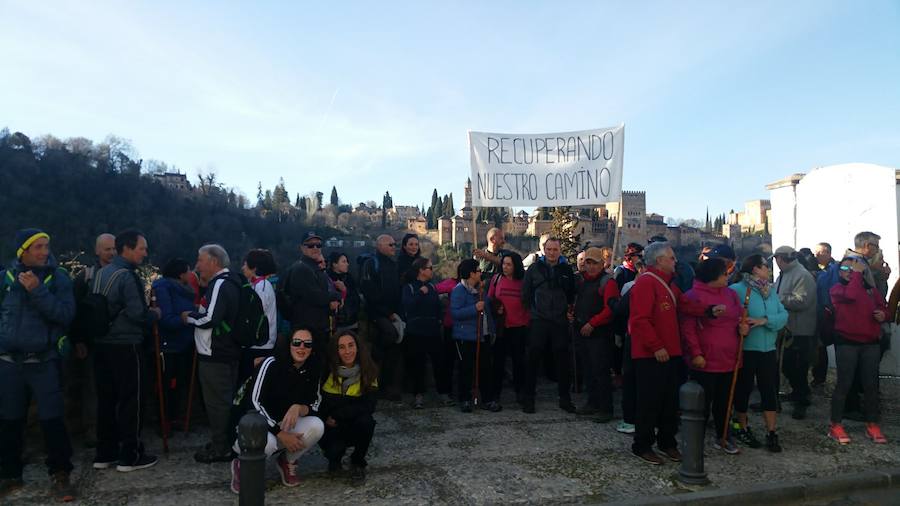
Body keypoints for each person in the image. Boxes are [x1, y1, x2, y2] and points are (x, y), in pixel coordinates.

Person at [629, 241, 723, 465]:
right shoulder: (646, 283)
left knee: (669, 401)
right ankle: (642, 445)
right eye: (671, 258)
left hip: (671, 352)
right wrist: (656, 346)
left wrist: (707, 311)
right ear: (660, 260)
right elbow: (640, 320)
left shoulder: (668, 284)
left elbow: (684, 305)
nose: (675, 261)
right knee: (649, 402)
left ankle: (667, 442)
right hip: (650, 355)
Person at [0, 229, 76, 500]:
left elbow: (66, 315)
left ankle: (60, 475)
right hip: (9, 362)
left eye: (46, 246)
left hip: (43, 361)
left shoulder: (58, 279)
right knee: (9, 421)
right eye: (38, 247)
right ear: (23, 251)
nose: (45, 252)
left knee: (52, 420)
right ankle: (10, 475)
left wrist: (38, 291)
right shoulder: (5, 279)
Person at [92, 229, 161, 473]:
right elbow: (137, 314)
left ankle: (104, 453)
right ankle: (130, 455)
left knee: (107, 400)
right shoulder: (128, 276)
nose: (145, 253)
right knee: (133, 399)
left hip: (101, 345)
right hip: (126, 345)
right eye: (141, 248)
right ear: (128, 249)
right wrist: (155, 314)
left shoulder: (100, 273)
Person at [230, 329, 325, 493]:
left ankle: (288, 460)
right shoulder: (271, 363)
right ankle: (242, 464)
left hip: (281, 423)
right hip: (250, 425)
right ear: (289, 344)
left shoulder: (313, 367)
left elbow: (315, 402)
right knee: (269, 443)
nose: (301, 348)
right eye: (296, 342)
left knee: (317, 426)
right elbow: (253, 403)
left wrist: (299, 408)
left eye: (307, 344)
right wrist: (280, 433)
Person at [680, 258, 749, 454]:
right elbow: (689, 329)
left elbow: (738, 317)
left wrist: (744, 328)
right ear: (713, 276)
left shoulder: (731, 294)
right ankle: (695, 441)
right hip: (706, 359)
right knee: (702, 404)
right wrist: (696, 354)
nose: (727, 276)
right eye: (724, 273)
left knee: (725, 401)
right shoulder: (693, 296)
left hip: (729, 357)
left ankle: (724, 436)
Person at [183, 244, 243, 463]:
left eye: (200, 260)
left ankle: (221, 447)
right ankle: (226, 440)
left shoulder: (219, 284)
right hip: (229, 351)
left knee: (216, 404)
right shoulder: (235, 282)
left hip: (215, 354)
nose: (197, 265)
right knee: (225, 401)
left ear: (214, 262)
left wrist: (188, 317)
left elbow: (211, 319)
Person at [729, 254, 788, 452]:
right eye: (765, 266)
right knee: (743, 390)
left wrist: (765, 320)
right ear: (755, 269)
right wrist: (741, 325)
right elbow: (729, 318)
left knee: (769, 390)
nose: (769, 269)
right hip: (746, 349)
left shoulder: (769, 291)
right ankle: (742, 426)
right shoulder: (736, 290)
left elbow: (783, 316)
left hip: (768, 349)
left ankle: (772, 432)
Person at [827, 257, 888, 444]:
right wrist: (856, 274)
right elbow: (851, 295)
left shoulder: (871, 291)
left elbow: (883, 307)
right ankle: (835, 424)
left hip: (870, 344)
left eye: (851, 268)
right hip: (847, 343)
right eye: (844, 268)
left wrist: (882, 314)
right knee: (844, 385)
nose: (847, 270)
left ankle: (872, 424)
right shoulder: (837, 290)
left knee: (871, 386)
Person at [67, 232, 115, 447]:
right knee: (92, 388)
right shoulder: (84, 277)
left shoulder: (124, 273)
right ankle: (93, 431)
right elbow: (75, 312)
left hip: (117, 342)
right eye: (107, 249)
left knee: (116, 387)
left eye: (114, 248)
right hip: (92, 343)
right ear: (97, 251)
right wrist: (78, 341)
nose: (112, 252)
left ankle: (114, 428)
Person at [520, 237, 577, 414]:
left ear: (560, 251)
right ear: (544, 250)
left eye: (555, 249)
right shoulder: (534, 269)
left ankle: (565, 399)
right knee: (533, 360)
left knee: (562, 361)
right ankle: (528, 399)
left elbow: (571, 294)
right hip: (539, 320)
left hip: (559, 321)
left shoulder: (566, 270)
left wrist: (567, 310)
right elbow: (526, 293)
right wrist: (534, 311)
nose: (552, 252)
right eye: (549, 249)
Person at [318, 330, 379, 484]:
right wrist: (325, 417)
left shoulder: (369, 371)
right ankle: (335, 458)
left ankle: (358, 460)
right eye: (342, 347)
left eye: (351, 346)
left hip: (350, 423)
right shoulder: (326, 370)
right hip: (332, 426)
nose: (347, 351)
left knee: (367, 422)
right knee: (333, 451)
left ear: (357, 347)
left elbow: (369, 406)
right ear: (336, 350)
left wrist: (339, 414)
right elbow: (319, 403)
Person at [572, 247, 620, 421]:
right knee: (588, 370)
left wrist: (592, 323)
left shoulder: (608, 282)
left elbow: (610, 309)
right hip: (583, 331)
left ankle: (606, 409)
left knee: (601, 372)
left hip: (599, 334)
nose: (591, 267)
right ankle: (592, 403)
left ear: (602, 264)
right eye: (588, 263)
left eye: (595, 263)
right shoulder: (582, 281)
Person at [151, 258, 198, 430]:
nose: (191, 273)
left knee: (179, 383)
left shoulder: (183, 290)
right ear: (181, 274)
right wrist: (184, 319)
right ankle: (164, 420)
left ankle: (175, 416)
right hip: (168, 345)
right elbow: (165, 318)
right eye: (188, 270)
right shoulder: (163, 288)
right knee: (165, 384)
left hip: (183, 344)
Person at [773, 245, 817, 420]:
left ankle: (802, 400)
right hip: (788, 329)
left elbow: (802, 301)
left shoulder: (802, 274)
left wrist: (776, 299)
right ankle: (797, 393)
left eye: (777, 259)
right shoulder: (785, 273)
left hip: (800, 330)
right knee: (787, 365)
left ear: (781, 259)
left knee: (797, 367)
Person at [359, 234, 404, 401]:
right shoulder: (371, 264)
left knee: (393, 349)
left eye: (394, 244)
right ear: (380, 246)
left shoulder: (392, 264)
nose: (394, 247)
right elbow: (369, 291)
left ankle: (388, 387)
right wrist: (387, 312)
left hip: (391, 312)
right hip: (377, 313)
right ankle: (376, 386)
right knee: (388, 340)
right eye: (391, 244)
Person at [451, 259, 497, 412]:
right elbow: (455, 313)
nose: (480, 273)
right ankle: (464, 399)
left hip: (482, 335)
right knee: (466, 369)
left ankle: (488, 399)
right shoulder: (459, 290)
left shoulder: (480, 290)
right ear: (471, 273)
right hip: (466, 337)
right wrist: (474, 308)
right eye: (478, 271)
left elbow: (487, 307)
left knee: (486, 369)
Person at [283, 232, 341, 351]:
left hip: (318, 327)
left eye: (318, 245)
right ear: (302, 248)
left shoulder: (314, 268)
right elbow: (315, 296)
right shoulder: (301, 269)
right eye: (310, 245)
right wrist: (336, 296)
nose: (315, 248)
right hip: (306, 331)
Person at [487, 251, 529, 405]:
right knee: (498, 363)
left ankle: (520, 393)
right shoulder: (496, 279)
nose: (505, 267)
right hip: (501, 328)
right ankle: (495, 396)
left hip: (519, 327)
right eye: (504, 264)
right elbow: (489, 299)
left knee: (519, 362)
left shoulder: (524, 282)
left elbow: (529, 302)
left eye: (509, 264)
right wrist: (495, 307)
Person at [401, 258, 442, 408]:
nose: (432, 270)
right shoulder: (410, 288)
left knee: (439, 362)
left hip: (432, 330)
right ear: (421, 270)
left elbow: (438, 307)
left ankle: (442, 392)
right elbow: (408, 306)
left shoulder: (432, 287)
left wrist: (438, 321)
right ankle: (418, 395)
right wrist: (419, 293)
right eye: (429, 268)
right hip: (416, 331)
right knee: (418, 365)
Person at [613, 259, 645, 434]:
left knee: (632, 381)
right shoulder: (666, 284)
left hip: (635, 339)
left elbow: (619, 309)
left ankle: (631, 420)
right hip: (643, 340)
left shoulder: (634, 288)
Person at [239, 249, 279, 384]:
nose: (242, 268)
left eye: (245, 264)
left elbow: (253, 315)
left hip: (260, 345)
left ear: (254, 268)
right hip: (258, 345)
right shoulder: (258, 285)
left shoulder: (261, 287)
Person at [812, 242, 838, 387]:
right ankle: (819, 376)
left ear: (828, 253)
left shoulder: (834, 269)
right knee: (820, 347)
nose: (816, 256)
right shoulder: (819, 270)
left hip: (832, 315)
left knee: (837, 346)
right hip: (820, 314)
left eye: (819, 252)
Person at [327, 251, 361, 336]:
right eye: (344, 261)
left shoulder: (349, 278)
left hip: (351, 320)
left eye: (347, 261)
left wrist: (345, 289)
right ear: (334, 264)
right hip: (334, 323)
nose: (347, 264)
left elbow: (356, 299)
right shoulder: (327, 279)